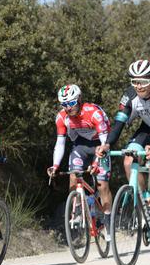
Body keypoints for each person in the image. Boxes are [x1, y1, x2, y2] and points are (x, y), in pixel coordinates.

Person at [47, 84, 112, 242]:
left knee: (102, 185)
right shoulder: (62, 117)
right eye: (64, 104)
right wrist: (55, 165)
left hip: (100, 144)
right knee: (74, 176)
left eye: (71, 103)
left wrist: (98, 160)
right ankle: (76, 210)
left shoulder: (93, 113)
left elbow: (105, 141)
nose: (68, 108)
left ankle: (108, 221)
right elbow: (60, 143)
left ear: (79, 100)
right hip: (81, 146)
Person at [97, 60, 150, 213]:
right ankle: (144, 199)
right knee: (128, 161)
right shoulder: (129, 96)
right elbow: (118, 124)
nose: (139, 86)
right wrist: (107, 144)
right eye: (135, 81)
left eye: (144, 81)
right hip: (146, 130)